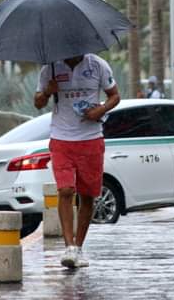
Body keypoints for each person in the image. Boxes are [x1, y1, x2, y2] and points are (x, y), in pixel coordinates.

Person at [34, 53, 120, 269]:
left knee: (88, 195)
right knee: (65, 191)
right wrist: (47, 92)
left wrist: (100, 110)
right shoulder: (50, 68)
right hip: (61, 139)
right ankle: (69, 247)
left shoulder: (98, 65)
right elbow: (38, 103)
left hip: (91, 140)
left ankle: (79, 247)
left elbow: (115, 96)